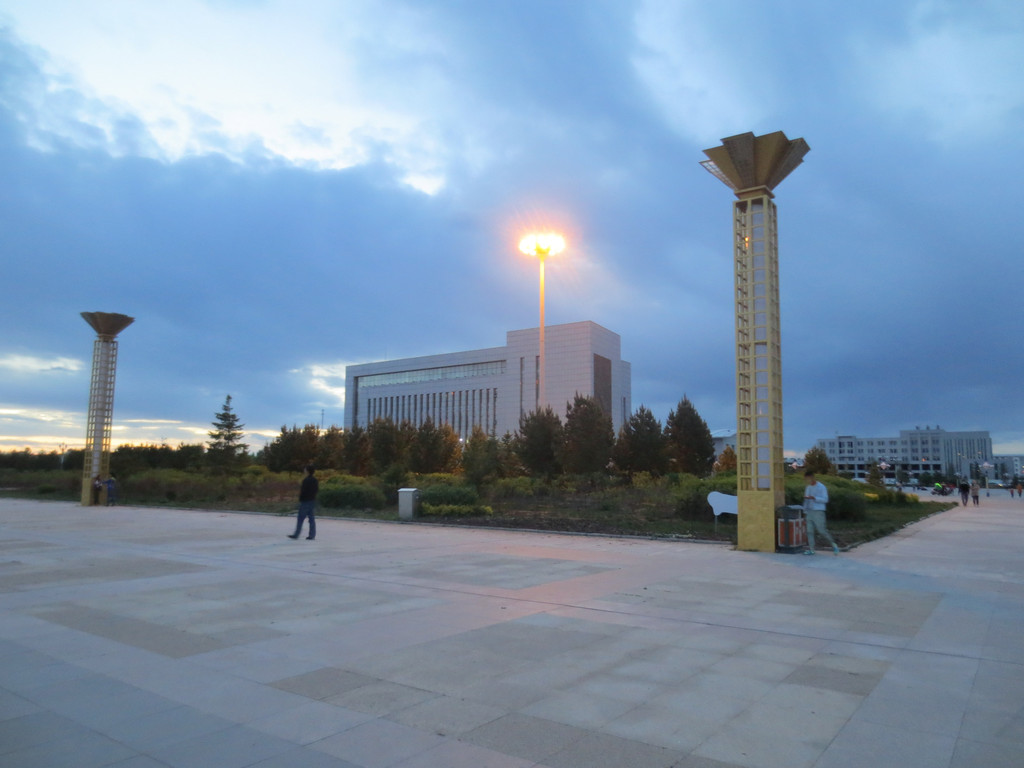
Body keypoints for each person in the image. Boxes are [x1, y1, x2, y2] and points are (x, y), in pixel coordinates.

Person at [803, 470, 839, 555]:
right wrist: (804, 511)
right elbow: (806, 500)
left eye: (808, 479)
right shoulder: (808, 488)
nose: (807, 481)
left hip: (818, 511)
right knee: (809, 531)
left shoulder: (821, 487)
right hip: (809, 512)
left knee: (821, 530)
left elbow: (825, 499)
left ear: (812, 477)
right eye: (806, 479)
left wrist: (814, 498)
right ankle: (811, 549)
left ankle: (834, 545)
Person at [288, 465, 319, 540]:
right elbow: (316, 490)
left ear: (307, 471)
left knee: (300, 518)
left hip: (305, 501)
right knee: (311, 518)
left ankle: (296, 534)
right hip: (312, 500)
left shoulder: (306, 480)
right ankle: (312, 535)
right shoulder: (315, 480)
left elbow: (303, 491)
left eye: (305, 469)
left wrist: (301, 499)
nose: (304, 470)